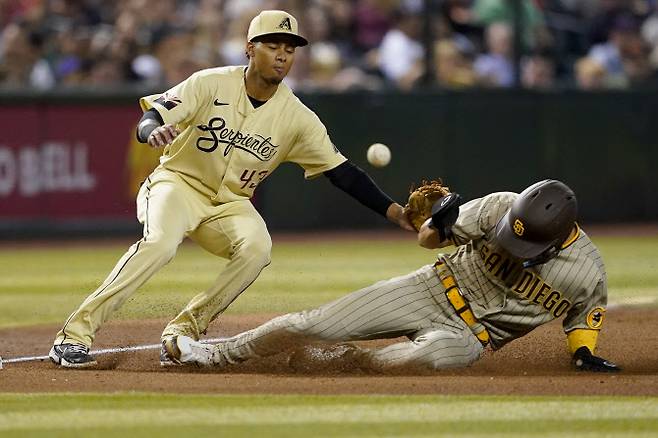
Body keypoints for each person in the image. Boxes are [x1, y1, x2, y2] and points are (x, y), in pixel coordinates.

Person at [49, 10, 413, 369]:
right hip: (177, 183)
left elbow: (343, 173)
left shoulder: (298, 117)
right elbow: (153, 116)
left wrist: (394, 211)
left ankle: (181, 332)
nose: (283, 55)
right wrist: (151, 132)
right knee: (159, 244)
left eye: (290, 48)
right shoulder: (210, 83)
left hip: (230, 203)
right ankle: (72, 338)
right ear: (249, 49)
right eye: (272, 45)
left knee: (257, 249)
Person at [170, 180, 621, 373]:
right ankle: (217, 355)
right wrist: (436, 223)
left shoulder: (586, 271)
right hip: (430, 289)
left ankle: (332, 362)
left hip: (471, 337)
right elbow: (427, 240)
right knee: (310, 324)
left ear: (563, 236)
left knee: (407, 363)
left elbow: (584, 315)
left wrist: (583, 353)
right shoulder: (501, 206)